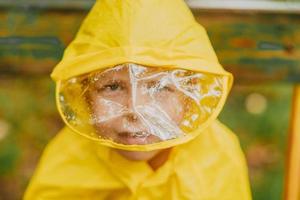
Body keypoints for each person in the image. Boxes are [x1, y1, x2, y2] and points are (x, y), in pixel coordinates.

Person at [24, 0, 252, 199]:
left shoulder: (216, 158)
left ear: (190, 94)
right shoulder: (69, 161)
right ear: (84, 94)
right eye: (112, 87)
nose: (135, 109)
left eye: (160, 87)